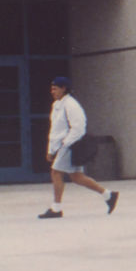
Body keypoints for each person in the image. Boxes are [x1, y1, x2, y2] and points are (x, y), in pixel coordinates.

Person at [39, 76, 117, 218]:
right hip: (65, 145)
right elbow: (55, 130)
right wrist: (51, 150)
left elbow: (79, 127)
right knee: (77, 177)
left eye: (55, 88)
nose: (52, 91)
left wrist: (65, 144)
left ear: (64, 88)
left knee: (56, 172)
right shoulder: (57, 105)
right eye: (51, 88)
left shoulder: (71, 104)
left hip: (70, 145)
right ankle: (108, 195)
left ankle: (56, 209)